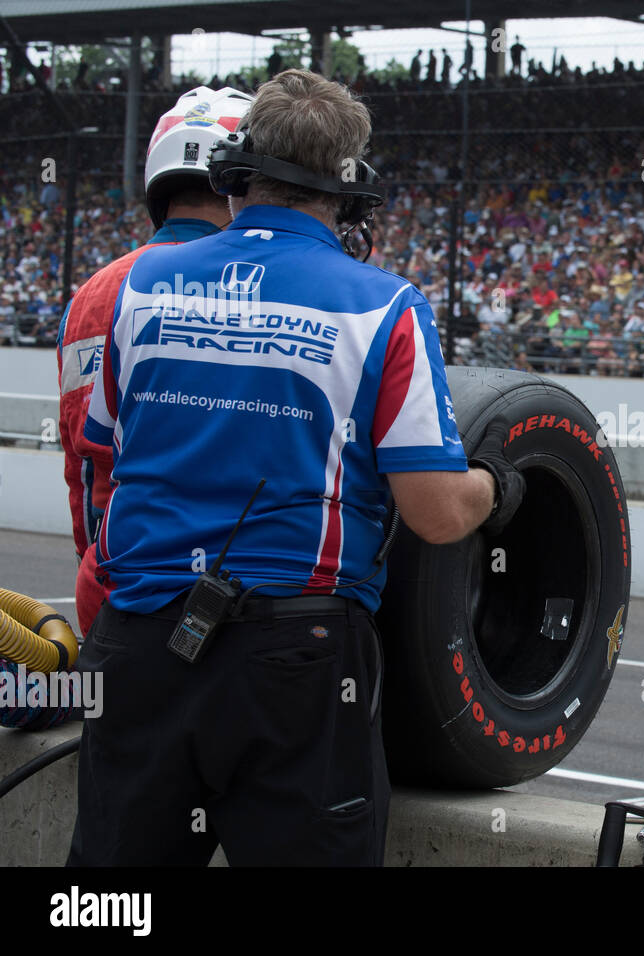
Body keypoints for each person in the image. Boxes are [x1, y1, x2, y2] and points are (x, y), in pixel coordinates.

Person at [69, 69, 525, 867]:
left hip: (137, 642)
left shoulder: (138, 284)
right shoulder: (385, 304)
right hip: (295, 659)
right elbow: (437, 513)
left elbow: (103, 445)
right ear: (348, 190)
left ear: (237, 167)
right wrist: (499, 484)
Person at [56, 85, 253, 639]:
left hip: (114, 589)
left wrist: (91, 566)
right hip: (238, 599)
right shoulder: (261, 283)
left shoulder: (91, 294)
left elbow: (81, 463)